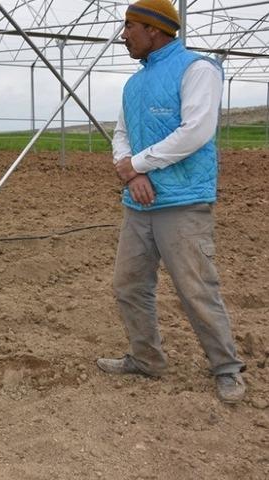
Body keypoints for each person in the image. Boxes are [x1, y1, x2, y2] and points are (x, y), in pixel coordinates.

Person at [96, 0, 246, 404]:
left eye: (129, 27)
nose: (123, 35)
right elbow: (121, 133)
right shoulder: (134, 83)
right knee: (129, 285)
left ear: (154, 30)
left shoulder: (197, 69)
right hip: (139, 203)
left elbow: (195, 131)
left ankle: (226, 368)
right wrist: (128, 169)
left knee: (196, 288)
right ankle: (146, 359)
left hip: (182, 201)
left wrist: (136, 167)